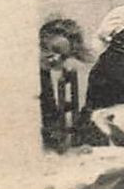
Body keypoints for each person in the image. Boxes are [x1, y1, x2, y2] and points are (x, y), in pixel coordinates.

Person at [38, 17, 90, 150]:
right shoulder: (34, 78)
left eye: (62, 55)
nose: (55, 58)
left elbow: (52, 121)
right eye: (48, 49)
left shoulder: (46, 77)